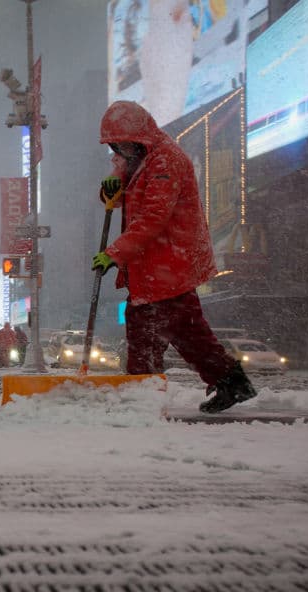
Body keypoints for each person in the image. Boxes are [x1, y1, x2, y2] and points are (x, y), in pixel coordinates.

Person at [92, 100, 256, 413]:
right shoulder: (139, 157)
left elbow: (154, 217)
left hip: (167, 263)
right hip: (160, 265)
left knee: (144, 331)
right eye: (117, 146)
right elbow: (121, 183)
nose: (122, 151)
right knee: (188, 331)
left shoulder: (166, 161)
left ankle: (142, 396)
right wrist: (111, 184)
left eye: (126, 144)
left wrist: (114, 253)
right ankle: (231, 382)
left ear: (140, 137)